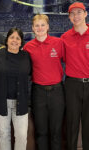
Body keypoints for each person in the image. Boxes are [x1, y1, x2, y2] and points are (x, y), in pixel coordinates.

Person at [23, 14, 65, 150]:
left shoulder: (58, 43)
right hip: (38, 92)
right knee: (41, 132)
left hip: (57, 92)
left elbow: (71, 62)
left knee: (56, 132)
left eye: (42, 25)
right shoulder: (28, 47)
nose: (40, 28)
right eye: (37, 25)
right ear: (32, 28)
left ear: (48, 27)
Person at [0, 27, 31, 150]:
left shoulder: (26, 56)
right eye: (12, 37)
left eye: (18, 38)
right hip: (1, 102)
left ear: (21, 42)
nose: (14, 40)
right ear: (7, 40)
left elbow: (30, 74)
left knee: (21, 136)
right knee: (4, 135)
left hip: (21, 102)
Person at [61, 2, 89, 150]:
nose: (75, 16)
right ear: (69, 17)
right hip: (72, 85)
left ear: (85, 14)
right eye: (72, 13)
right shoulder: (65, 38)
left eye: (79, 12)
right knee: (71, 124)